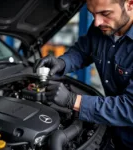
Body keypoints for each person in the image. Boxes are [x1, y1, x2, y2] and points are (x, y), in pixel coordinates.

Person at [34, 0, 133, 149]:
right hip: (113, 130)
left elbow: (130, 108)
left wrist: (73, 100)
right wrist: (62, 62)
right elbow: (82, 51)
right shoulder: (100, 28)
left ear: (130, 4)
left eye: (105, 13)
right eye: (93, 14)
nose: (97, 22)